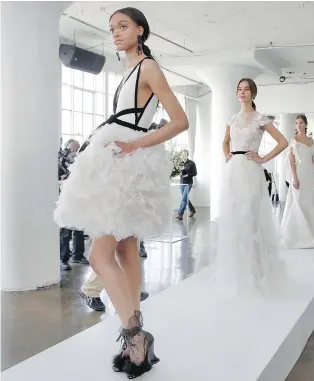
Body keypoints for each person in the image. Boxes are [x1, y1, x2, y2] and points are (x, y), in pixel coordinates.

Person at [54, 7, 188, 378]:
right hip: (119, 154)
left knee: (100, 255)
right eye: (112, 28)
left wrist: (135, 146)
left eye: (123, 26)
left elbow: (180, 121)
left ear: (140, 31)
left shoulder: (147, 67)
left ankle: (133, 333)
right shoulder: (130, 70)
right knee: (126, 248)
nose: (115, 33)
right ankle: (137, 337)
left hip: (127, 158)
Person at [216, 77, 288, 297]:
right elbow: (225, 141)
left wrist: (263, 158)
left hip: (250, 170)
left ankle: (256, 271)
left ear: (253, 94)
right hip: (233, 171)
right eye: (239, 89)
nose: (242, 92)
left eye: (246, 89)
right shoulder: (232, 118)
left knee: (250, 217)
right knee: (234, 217)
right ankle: (237, 269)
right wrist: (227, 155)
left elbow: (283, 142)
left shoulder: (260, 119)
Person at [281, 115, 314, 249]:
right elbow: (292, 161)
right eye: (296, 123)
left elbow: (313, 161)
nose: (298, 125)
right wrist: (294, 177)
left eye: (301, 123)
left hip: (309, 174)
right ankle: (297, 237)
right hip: (299, 174)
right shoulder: (294, 140)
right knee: (298, 202)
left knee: (309, 203)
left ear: (305, 124)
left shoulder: (311, 141)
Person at [58, 139, 89, 270]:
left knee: (79, 229)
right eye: (71, 150)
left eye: (76, 150)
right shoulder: (59, 161)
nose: (74, 153)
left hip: (79, 197)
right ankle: (63, 259)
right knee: (65, 230)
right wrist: (61, 181)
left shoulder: (81, 161)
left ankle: (78, 255)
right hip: (65, 197)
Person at [175, 149, 197, 220]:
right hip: (182, 183)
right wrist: (179, 173)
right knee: (185, 198)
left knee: (184, 198)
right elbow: (178, 171)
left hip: (189, 183)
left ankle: (180, 214)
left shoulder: (192, 163)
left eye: (185, 154)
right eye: (182, 154)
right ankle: (192, 210)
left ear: (187, 155)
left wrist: (187, 175)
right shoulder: (180, 163)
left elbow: (195, 173)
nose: (183, 155)